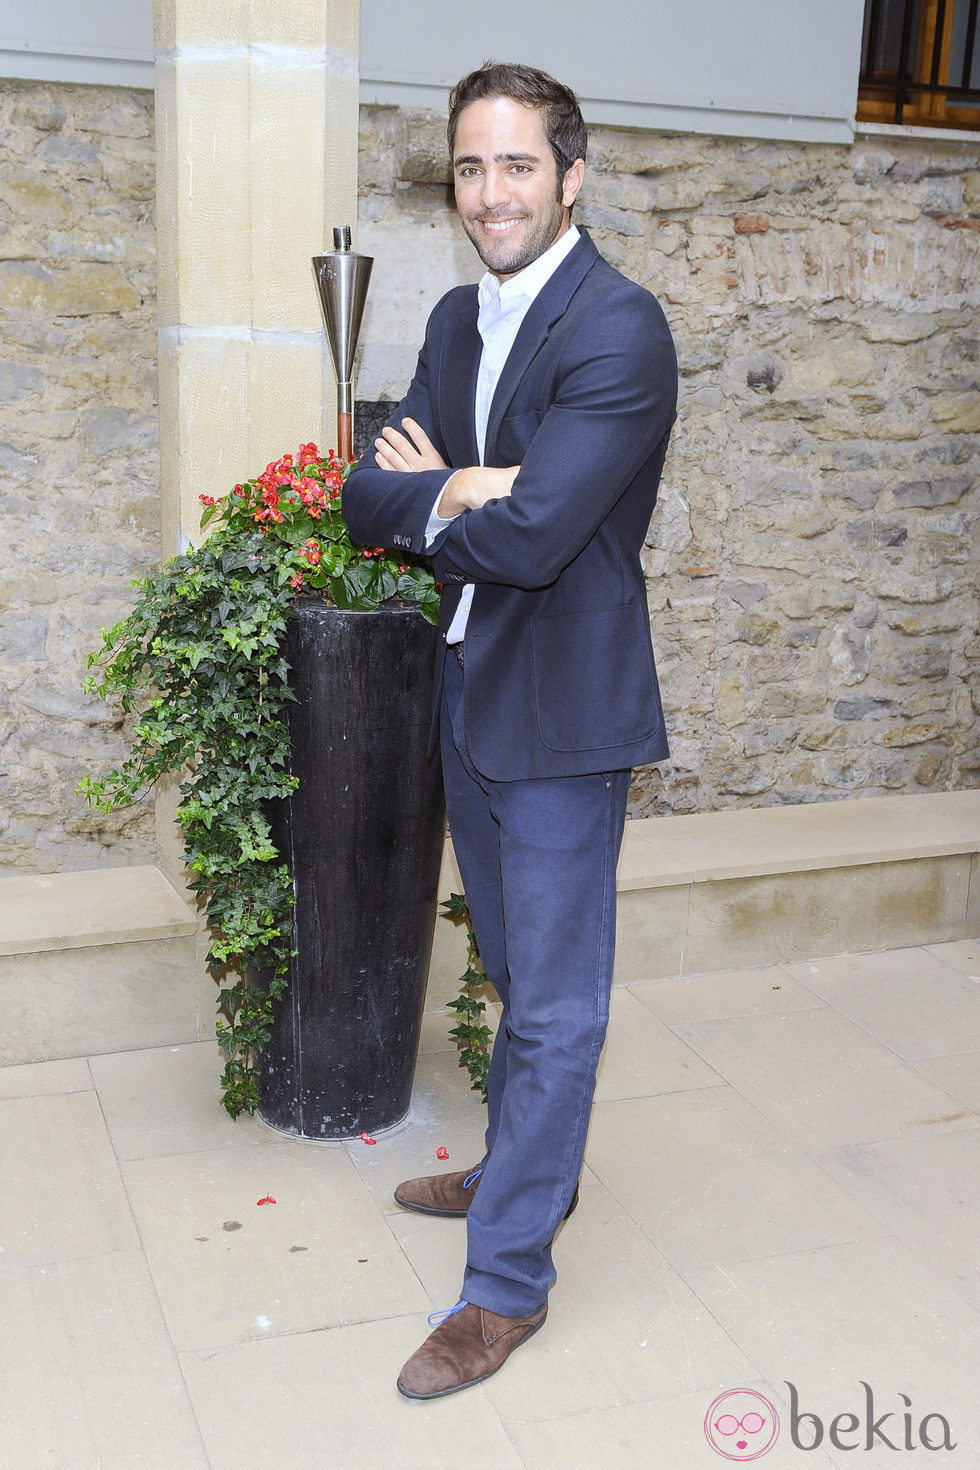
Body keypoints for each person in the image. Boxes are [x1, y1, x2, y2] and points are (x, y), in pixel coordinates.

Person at [342, 60, 677, 1400]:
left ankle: (507, 1280)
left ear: (571, 175)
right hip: (469, 692)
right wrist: (469, 485)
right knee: (512, 967)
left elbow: (539, 538)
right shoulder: (456, 319)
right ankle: (526, 1165)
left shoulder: (619, 329)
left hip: (562, 715)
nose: (491, 193)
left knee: (553, 1005)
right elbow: (367, 487)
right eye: (471, 168)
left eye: (517, 166)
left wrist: (460, 491)